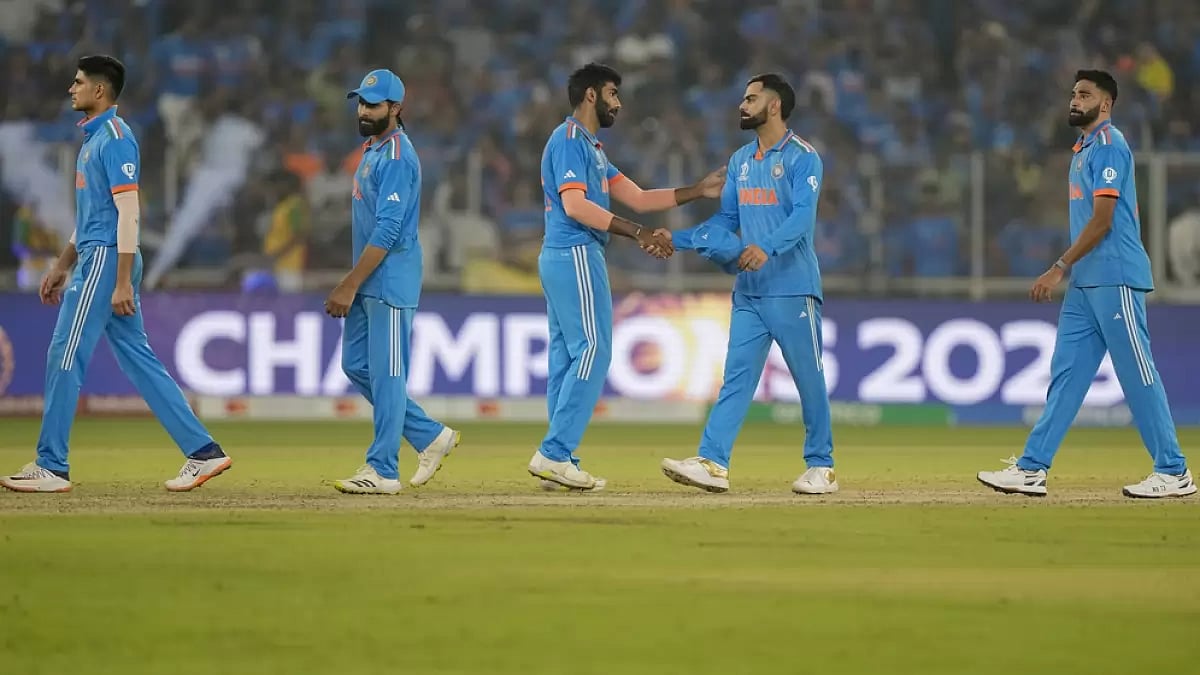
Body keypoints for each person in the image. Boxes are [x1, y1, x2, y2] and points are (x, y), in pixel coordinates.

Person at [1, 55, 231, 494]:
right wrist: (62, 264)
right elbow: (93, 217)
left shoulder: (116, 138)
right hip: (99, 255)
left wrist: (122, 278)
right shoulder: (93, 140)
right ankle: (204, 451)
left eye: (78, 82)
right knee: (138, 360)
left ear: (99, 90)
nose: (71, 89)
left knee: (64, 353)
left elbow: (129, 212)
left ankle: (51, 465)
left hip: (107, 259)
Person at [977, 70, 1194, 499]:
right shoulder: (1082, 150)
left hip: (1116, 276)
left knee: (1137, 373)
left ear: (1105, 103)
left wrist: (1059, 266)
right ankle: (1032, 468)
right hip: (1086, 284)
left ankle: (1174, 471)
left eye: (1085, 94)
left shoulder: (1111, 144)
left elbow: (1103, 220)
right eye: (1074, 94)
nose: (1075, 100)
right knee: (1067, 377)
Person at [529, 62, 724, 491]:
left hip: (562, 256)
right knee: (594, 351)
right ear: (591, 95)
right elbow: (576, 206)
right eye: (613, 93)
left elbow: (638, 197)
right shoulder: (569, 141)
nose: (619, 103)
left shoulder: (591, 148)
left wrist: (697, 190)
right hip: (575, 252)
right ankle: (555, 453)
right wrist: (638, 233)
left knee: (567, 359)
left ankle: (559, 461)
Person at [658, 73, 838, 495]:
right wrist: (676, 240)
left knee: (808, 379)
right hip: (750, 292)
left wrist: (767, 248)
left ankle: (822, 466)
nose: (742, 104)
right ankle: (713, 462)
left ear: (774, 106)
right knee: (736, 378)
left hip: (793, 288)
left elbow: (802, 217)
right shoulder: (740, 160)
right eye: (743, 98)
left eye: (751, 98)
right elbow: (726, 220)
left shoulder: (802, 157)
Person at [325, 69, 459, 495]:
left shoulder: (398, 156)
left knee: (388, 375)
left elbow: (387, 230)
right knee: (356, 366)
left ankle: (382, 469)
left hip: (391, 281)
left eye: (373, 105)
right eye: (361, 104)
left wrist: (348, 283)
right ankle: (429, 435)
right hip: (370, 279)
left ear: (396, 108)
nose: (363, 112)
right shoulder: (373, 149)